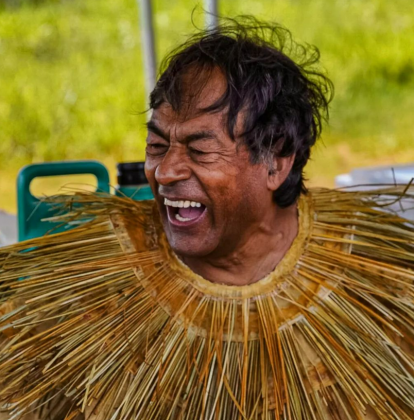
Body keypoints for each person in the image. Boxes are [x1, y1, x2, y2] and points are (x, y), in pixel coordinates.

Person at [1, 17, 414, 420]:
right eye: (157, 144)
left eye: (200, 150)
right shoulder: (87, 284)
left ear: (276, 161)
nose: (164, 172)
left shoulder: (384, 273)